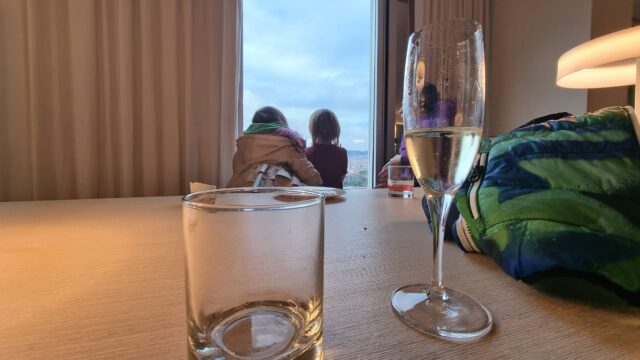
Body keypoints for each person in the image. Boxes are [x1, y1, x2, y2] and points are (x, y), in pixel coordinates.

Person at [227, 106, 322, 187]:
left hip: (243, 191)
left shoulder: (244, 146)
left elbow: (237, 170)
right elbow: (305, 171)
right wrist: (317, 181)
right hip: (278, 189)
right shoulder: (285, 144)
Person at [305, 109, 348, 189]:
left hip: (314, 198)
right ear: (335, 130)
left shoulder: (306, 153)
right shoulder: (342, 152)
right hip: (336, 198)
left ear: (313, 130)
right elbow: (340, 179)